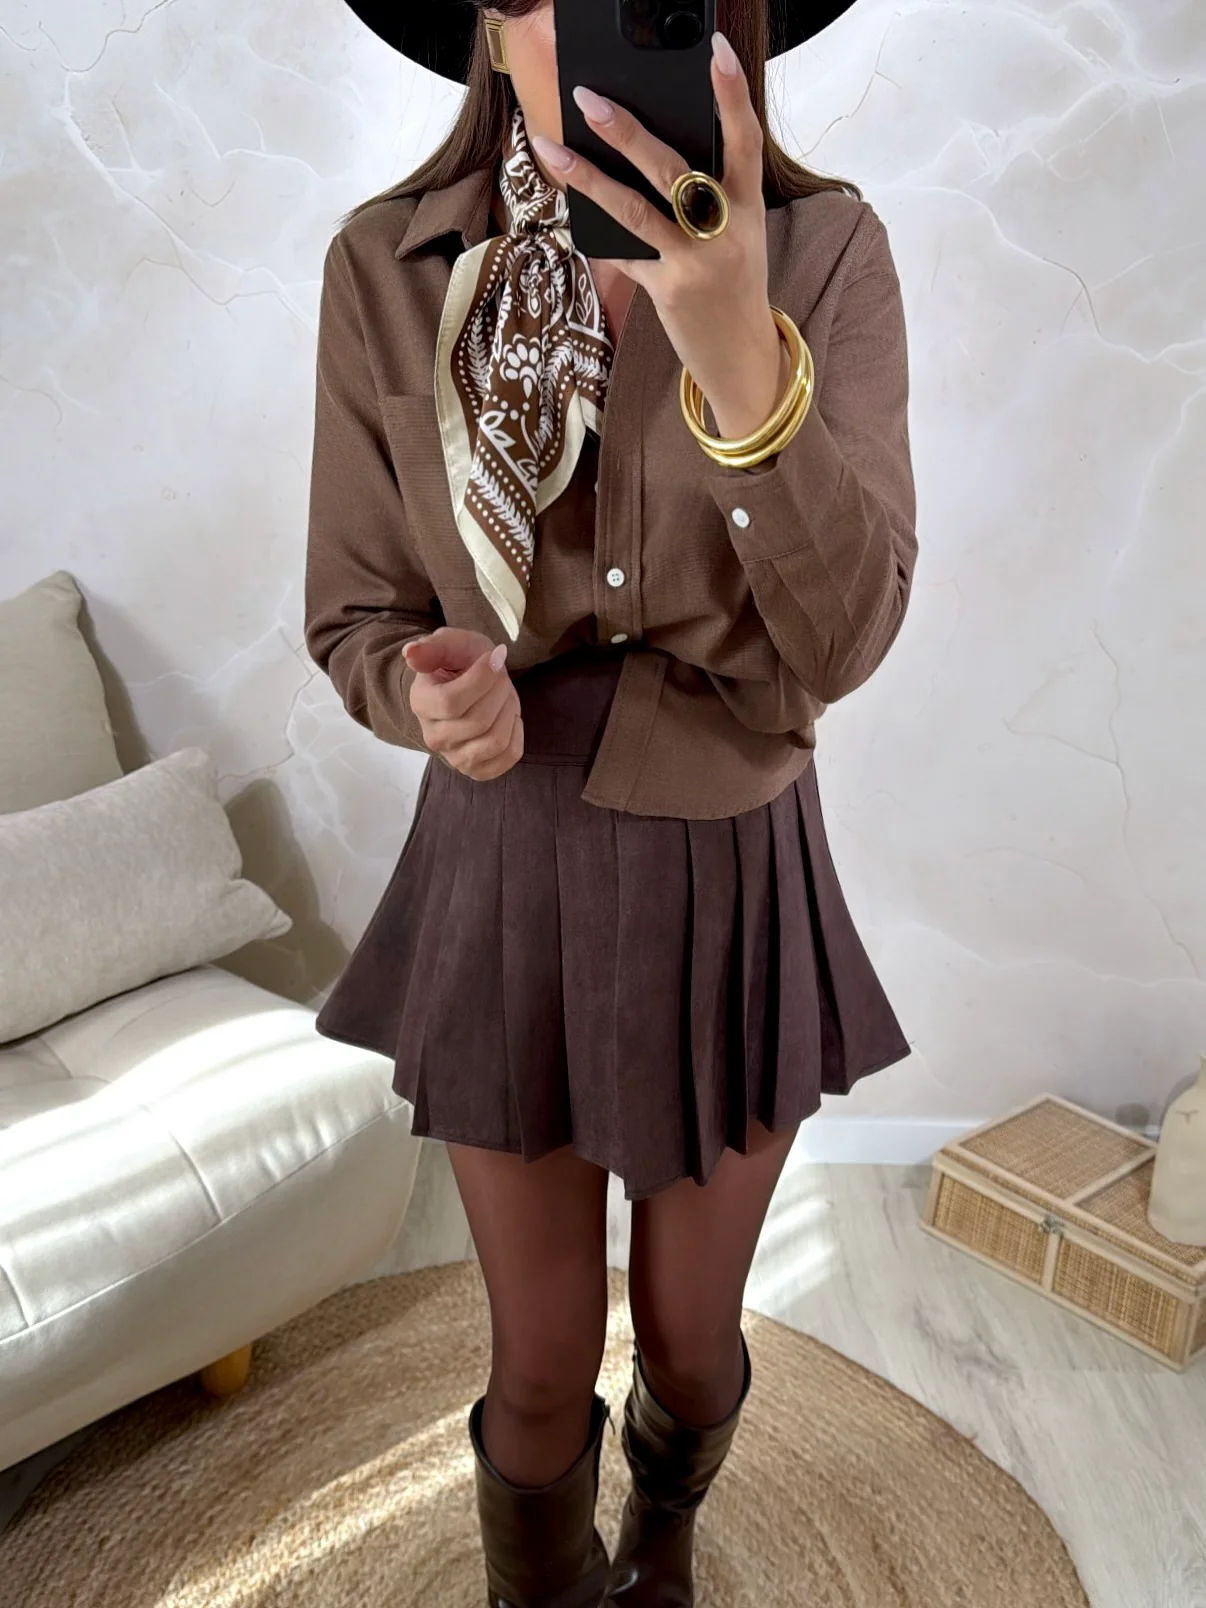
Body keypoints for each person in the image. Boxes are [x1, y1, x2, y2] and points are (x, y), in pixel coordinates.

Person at [303, 2, 916, 1602]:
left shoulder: (823, 254)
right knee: (533, 1364)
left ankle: (662, 1540)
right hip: (504, 857)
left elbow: (844, 642)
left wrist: (739, 360)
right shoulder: (387, 264)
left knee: (693, 1348)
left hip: (734, 855)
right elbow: (354, 611)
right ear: (485, 22)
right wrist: (424, 697)